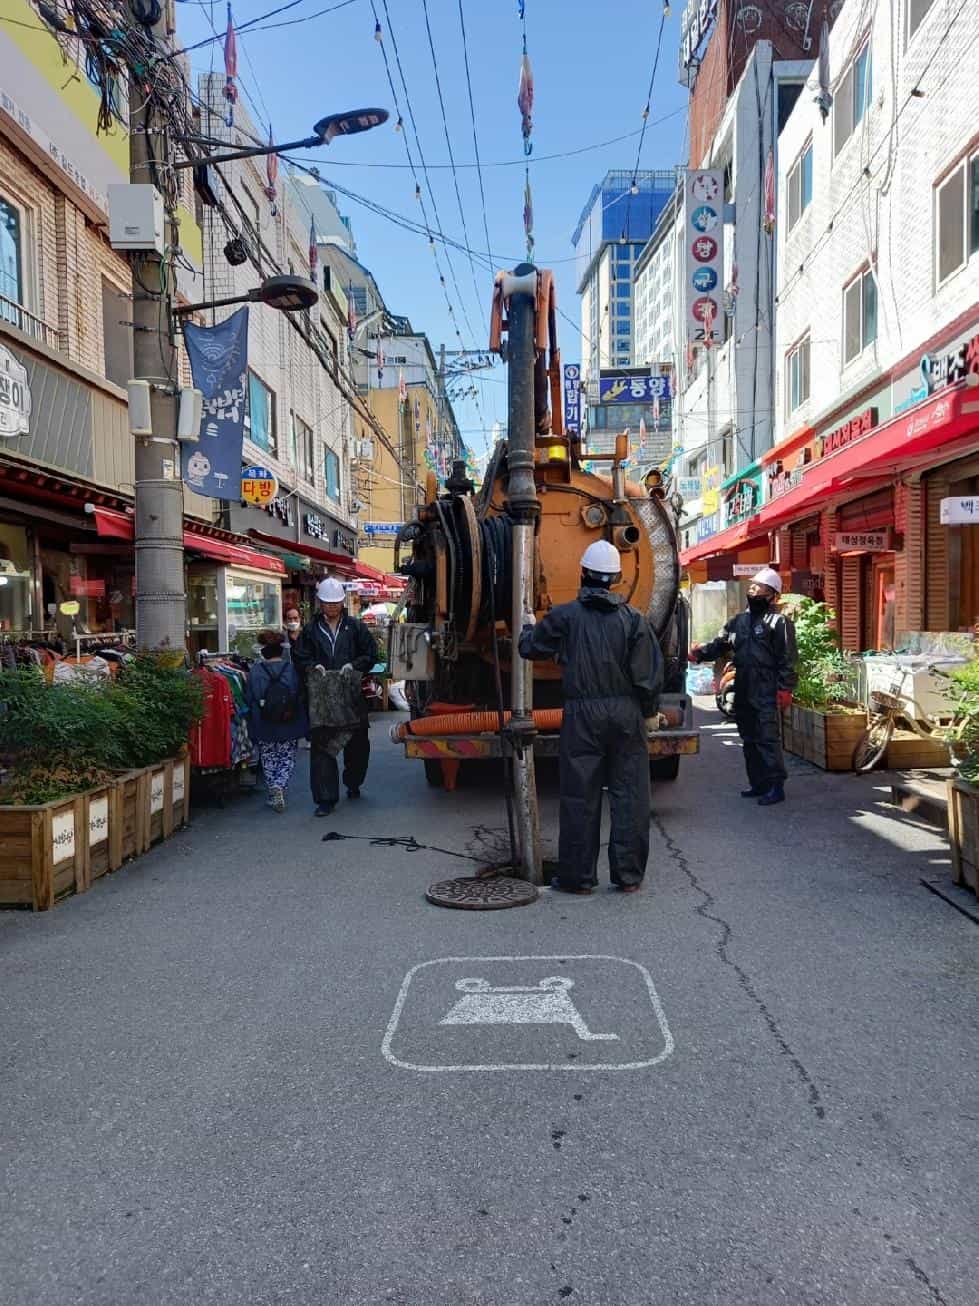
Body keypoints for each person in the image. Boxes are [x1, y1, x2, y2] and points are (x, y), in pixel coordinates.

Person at [518, 540, 663, 895]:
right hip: (626, 714)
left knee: (580, 794)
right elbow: (648, 675)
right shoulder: (634, 620)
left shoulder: (565, 616)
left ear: (583, 574)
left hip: (582, 714)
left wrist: (526, 627)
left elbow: (531, 647)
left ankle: (578, 878)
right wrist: (648, 712)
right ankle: (628, 877)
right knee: (630, 794)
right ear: (616, 578)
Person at [689, 566, 797, 806]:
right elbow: (720, 644)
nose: (753, 589)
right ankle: (758, 783)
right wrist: (698, 654)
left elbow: (787, 659)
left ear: (772, 594)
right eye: (752, 586)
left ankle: (775, 785)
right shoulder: (739, 621)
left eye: (758, 587)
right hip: (744, 685)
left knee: (767, 737)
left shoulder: (779, 623)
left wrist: (785, 688)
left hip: (767, 687)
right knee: (748, 737)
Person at [293, 576, 378, 816]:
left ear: (342, 603)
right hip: (322, 701)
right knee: (322, 748)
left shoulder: (356, 627)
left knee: (358, 745)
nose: (331, 607)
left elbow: (371, 654)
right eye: (326, 603)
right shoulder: (310, 630)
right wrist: (312, 666)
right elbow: (299, 657)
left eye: (335, 603)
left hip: (351, 696)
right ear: (320, 603)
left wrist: (354, 664)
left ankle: (353, 782)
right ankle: (325, 799)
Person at [245, 631, 309, 813]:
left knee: (268, 756)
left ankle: (273, 788)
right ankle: (280, 785)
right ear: (281, 651)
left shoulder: (255, 670)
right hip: (289, 720)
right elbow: (299, 694)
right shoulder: (291, 669)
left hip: (263, 721)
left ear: (263, 651)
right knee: (287, 756)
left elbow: (250, 697)